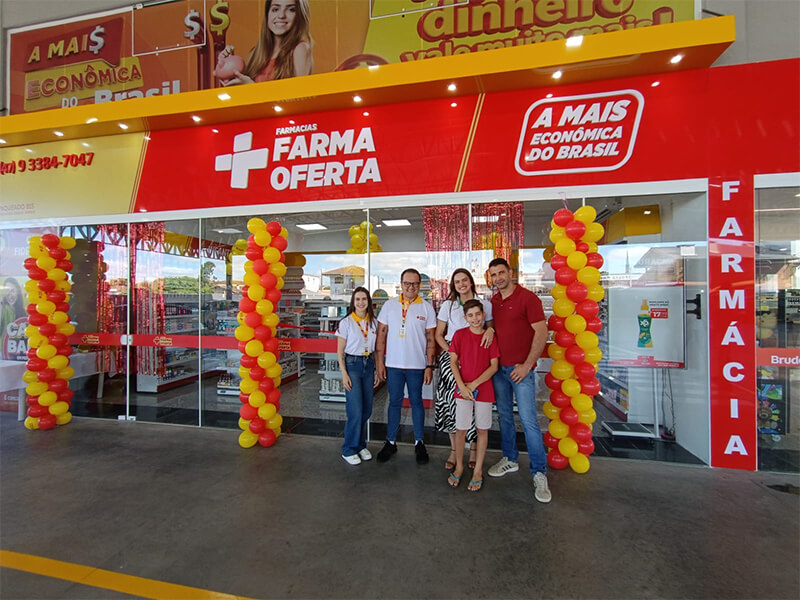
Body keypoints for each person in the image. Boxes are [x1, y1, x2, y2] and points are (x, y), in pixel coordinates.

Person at [486, 258, 551, 504]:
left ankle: (539, 472)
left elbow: (541, 332)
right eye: (494, 275)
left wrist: (527, 365)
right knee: (503, 416)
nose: (498, 278)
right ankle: (510, 459)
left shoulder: (528, 298)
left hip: (520, 371)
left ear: (511, 273)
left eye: (501, 272)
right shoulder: (494, 302)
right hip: (499, 370)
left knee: (528, 421)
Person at [434, 268, 494, 471]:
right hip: (452, 355)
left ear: (471, 282)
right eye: (457, 281)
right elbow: (439, 335)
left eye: (465, 280)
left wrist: (492, 329)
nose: (461, 284)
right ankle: (454, 450)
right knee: (452, 404)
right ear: (453, 285)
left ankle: (475, 450)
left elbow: (491, 329)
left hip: (477, 358)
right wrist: (453, 352)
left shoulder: (484, 304)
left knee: (476, 402)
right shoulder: (448, 305)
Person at [375, 268, 437, 464]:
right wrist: (380, 363)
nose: (411, 287)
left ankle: (419, 442)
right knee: (394, 402)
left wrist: (429, 366)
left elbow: (431, 341)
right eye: (407, 283)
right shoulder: (389, 306)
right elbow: (381, 336)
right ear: (400, 284)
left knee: (417, 402)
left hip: (417, 366)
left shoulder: (426, 308)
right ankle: (390, 442)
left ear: (420, 285)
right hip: (393, 365)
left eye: (415, 284)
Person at [447, 299, 499, 492]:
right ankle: (460, 466)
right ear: (465, 318)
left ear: (484, 315)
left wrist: (474, 384)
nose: (475, 318)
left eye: (478, 314)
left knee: (482, 429)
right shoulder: (459, 335)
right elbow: (453, 361)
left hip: (483, 390)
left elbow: (494, 366)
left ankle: (478, 470)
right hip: (463, 390)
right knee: (461, 429)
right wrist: (462, 386)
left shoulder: (490, 337)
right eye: (471, 315)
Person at [217, 0, 313, 86]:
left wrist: (252, 87)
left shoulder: (300, 49)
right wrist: (229, 68)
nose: (281, 15)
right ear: (267, 14)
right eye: (275, 9)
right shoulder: (255, 53)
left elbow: (299, 97)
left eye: (291, 10)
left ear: (299, 15)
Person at [336, 287, 379, 465]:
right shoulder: (346, 323)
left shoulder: (374, 322)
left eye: (364, 299)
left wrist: (376, 369)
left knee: (367, 409)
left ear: (368, 302)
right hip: (352, 365)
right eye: (357, 299)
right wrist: (344, 373)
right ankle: (349, 448)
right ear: (353, 302)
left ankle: (360, 445)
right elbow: (339, 350)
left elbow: (376, 349)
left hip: (368, 365)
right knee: (355, 409)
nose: (361, 302)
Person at [1, 277, 24, 344]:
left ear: (17, 293)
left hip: (18, 350)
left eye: (13, 291)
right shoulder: (3, 309)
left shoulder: (23, 312)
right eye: (7, 291)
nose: (10, 295)